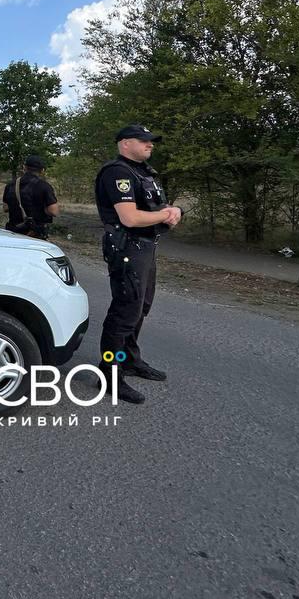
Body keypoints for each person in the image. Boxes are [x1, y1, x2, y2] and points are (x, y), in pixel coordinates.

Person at [93, 125, 182, 404]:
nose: (150, 144)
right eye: (143, 140)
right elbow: (130, 218)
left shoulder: (143, 173)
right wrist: (166, 215)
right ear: (125, 143)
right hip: (127, 249)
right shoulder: (117, 172)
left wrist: (173, 210)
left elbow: (154, 208)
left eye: (151, 141)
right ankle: (109, 373)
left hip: (145, 247)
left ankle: (130, 360)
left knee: (140, 308)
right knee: (124, 313)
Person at [2, 155, 60, 240]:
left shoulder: (10, 185)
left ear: (24, 167)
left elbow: (5, 208)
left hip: (13, 232)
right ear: (42, 170)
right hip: (34, 235)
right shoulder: (44, 186)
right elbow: (54, 211)